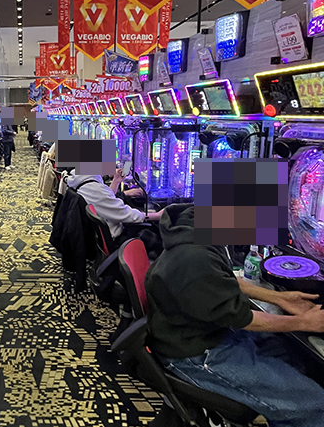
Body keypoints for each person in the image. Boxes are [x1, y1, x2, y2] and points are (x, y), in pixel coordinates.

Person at [145, 204, 324, 426]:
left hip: (206, 331)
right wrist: (304, 322)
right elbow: (247, 320)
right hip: (195, 353)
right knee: (314, 404)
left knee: (293, 358)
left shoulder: (194, 228)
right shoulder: (194, 258)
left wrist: (281, 298)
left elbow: (225, 277)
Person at [67, 166, 164, 242]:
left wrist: (116, 181)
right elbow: (125, 214)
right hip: (114, 237)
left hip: (98, 232)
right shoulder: (95, 188)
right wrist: (157, 215)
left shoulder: (83, 179)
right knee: (153, 237)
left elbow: (105, 200)